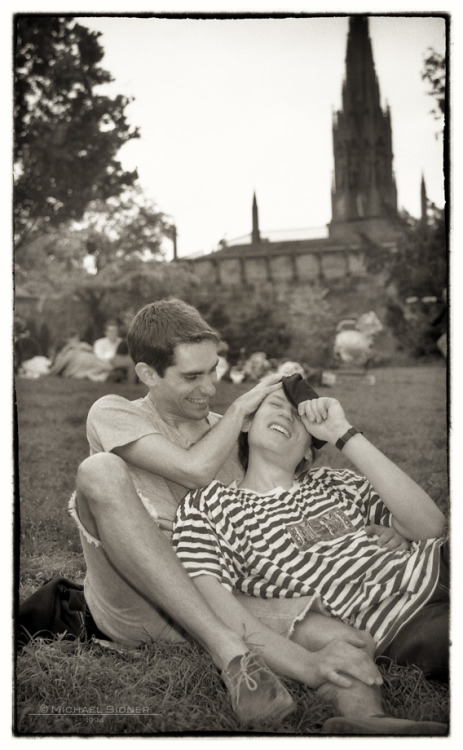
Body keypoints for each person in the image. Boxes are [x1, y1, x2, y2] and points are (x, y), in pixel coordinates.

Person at [72, 299, 386, 726]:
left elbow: (292, 498)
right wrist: (241, 408)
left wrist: (390, 529)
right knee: (100, 470)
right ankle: (226, 648)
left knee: (347, 640)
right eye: (192, 376)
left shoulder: (234, 438)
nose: (209, 388)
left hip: (217, 594)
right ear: (147, 374)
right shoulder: (114, 412)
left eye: (214, 370)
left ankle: (366, 727)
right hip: (136, 602)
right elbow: (194, 469)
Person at [172, 374, 449, 735]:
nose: (287, 417)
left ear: (308, 450)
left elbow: (429, 526)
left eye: (299, 417)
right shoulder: (210, 505)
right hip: (400, 617)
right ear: (248, 423)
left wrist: (343, 433)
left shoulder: (335, 481)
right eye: (275, 406)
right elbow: (211, 599)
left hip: (438, 561)